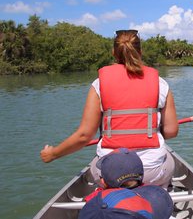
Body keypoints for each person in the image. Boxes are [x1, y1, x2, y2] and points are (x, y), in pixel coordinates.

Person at [40, 29, 179, 188]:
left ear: (114, 52)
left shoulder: (99, 84)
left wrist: (53, 154)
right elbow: (171, 131)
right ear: (140, 51)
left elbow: (84, 136)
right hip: (151, 172)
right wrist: (152, 128)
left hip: (112, 174)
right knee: (168, 158)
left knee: (98, 165)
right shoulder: (161, 84)